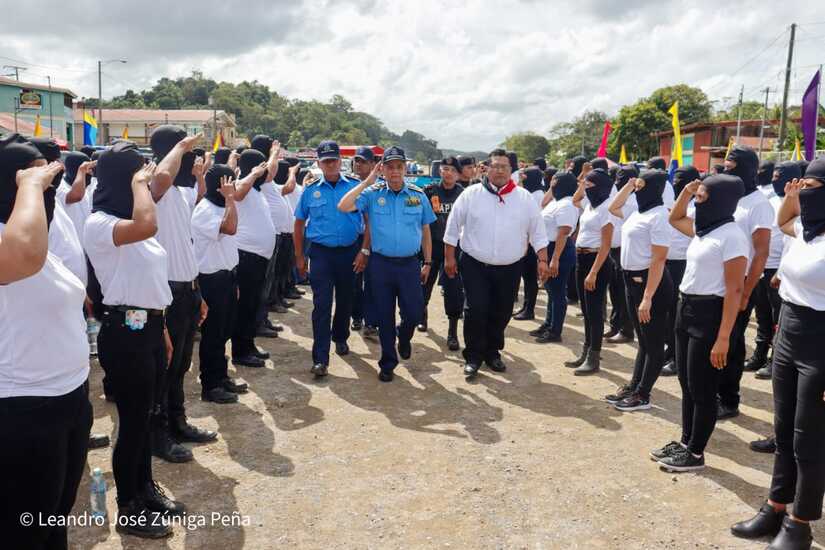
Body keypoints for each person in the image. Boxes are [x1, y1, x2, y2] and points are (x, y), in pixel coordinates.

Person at [84, 142, 182, 538]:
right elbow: (148, 225)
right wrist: (142, 183)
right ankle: (129, 506)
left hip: (148, 326)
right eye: (136, 173)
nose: (143, 178)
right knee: (133, 421)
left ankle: (145, 489)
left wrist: (161, 328)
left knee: (147, 416)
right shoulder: (101, 223)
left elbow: (150, 280)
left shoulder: (128, 216)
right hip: (125, 332)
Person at [0, 137, 93, 549]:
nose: (49, 183)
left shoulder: (40, 237)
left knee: (52, 516)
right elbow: (23, 255)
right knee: (27, 526)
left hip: (67, 400)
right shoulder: (14, 241)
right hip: (25, 408)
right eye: (36, 174)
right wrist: (31, 186)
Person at [731, 158, 825, 550]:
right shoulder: (806, 229)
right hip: (789, 330)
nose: (804, 192)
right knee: (783, 430)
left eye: (813, 186)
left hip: (821, 343)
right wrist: (793, 194)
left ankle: (800, 522)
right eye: (802, 184)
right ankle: (776, 506)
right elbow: (784, 220)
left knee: (810, 438)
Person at [652, 174, 747, 473]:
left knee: (702, 388)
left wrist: (723, 338)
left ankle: (695, 453)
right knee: (686, 383)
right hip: (687, 308)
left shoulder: (732, 236)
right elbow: (674, 218)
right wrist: (686, 192)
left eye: (703, 197)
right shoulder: (705, 229)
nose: (698, 201)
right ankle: (684, 442)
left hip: (710, 315)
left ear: (720, 201)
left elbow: (735, 290)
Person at [443, 148, 549, 377]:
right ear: (486, 168)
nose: (499, 170)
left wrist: (543, 259)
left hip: (510, 267)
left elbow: (538, 232)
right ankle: (473, 356)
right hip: (474, 263)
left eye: (504, 167)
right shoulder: (471, 194)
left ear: (512, 171)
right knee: (476, 309)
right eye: (495, 166)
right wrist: (449, 258)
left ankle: (492, 352)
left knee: (501, 311)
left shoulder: (524, 198)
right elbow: (452, 227)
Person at [338, 146, 436, 381]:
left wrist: (428, 262)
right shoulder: (372, 194)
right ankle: (388, 362)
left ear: (405, 169)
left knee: (413, 312)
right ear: (383, 169)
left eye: (399, 167)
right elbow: (343, 206)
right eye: (389, 167)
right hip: (380, 264)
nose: (394, 171)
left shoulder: (417, 195)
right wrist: (370, 179)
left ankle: (404, 336)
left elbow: (425, 231)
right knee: (384, 315)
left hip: (409, 264)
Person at [148, 126, 215, 463]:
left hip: (186, 289)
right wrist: (181, 146)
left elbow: (185, 247)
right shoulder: (153, 186)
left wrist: (197, 291)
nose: (192, 161)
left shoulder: (178, 192)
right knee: (165, 367)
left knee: (181, 365)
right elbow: (160, 176)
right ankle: (158, 435)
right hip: (167, 293)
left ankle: (177, 421)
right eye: (188, 155)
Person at [294, 140, 363, 377]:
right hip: (321, 253)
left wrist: (364, 251)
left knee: (345, 300)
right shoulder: (310, 191)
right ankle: (320, 358)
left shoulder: (355, 187)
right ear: (319, 163)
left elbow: (369, 220)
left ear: (340, 161)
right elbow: (299, 222)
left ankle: (341, 336)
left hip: (349, 251)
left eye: (334, 160)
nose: (331, 164)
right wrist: (299, 256)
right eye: (326, 161)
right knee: (321, 305)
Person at [606, 169, 673, 411]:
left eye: (642, 185)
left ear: (654, 188)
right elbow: (614, 207)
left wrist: (648, 297)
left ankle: (643, 395)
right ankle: (634, 386)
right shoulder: (637, 212)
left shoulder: (659, 216)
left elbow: (659, 259)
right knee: (643, 342)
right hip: (630, 280)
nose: (638, 189)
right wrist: (628, 186)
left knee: (653, 344)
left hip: (649, 284)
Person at [718, 146, 773, 420]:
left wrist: (746, 292)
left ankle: (729, 400)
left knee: (734, 340)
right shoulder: (730, 196)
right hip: (718, 281)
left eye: (733, 164)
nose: (727, 167)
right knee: (717, 338)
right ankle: (716, 391)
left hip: (742, 283)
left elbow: (761, 252)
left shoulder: (759, 204)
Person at [191, 163, 249, 404]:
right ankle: (210, 385)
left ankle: (222, 376)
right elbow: (231, 228)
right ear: (220, 185)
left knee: (224, 331)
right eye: (229, 183)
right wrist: (230, 200)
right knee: (213, 335)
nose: (234, 187)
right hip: (210, 280)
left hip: (226, 276)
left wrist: (233, 280)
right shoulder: (205, 210)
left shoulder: (220, 205)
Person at [565, 166, 617, 375]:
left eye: (591, 184)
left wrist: (594, 272)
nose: (587, 188)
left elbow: (606, 245)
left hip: (597, 261)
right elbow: (574, 200)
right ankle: (586, 351)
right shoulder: (590, 204)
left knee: (595, 312)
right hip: (582, 257)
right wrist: (583, 180)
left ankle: (594, 357)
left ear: (603, 187)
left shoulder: (608, 208)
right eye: (586, 184)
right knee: (586, 310)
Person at [231, 148, 276, 368]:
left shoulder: (257, 191)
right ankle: (240, 351)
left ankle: (248, 345)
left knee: (253, 305)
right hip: (246, 257)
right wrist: (254, 174)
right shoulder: (242, 185)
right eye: (261, 168)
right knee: (245, 306)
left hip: (258, 258)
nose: (266, 173)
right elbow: (236, 192)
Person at [419, 155, 464, 349]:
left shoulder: (464, 194)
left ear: (458, 174)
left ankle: (452, 331)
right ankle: (422, 316)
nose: (448, 173)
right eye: (445, 169)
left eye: (453, 170)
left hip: (454, 249)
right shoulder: (429, 191)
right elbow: (418, 216)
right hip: (432, 246)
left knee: (453, 291)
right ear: (440, 171)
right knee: (424, 285)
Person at [662, 166, 700, 377]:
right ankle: (671, 351)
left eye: (682, 180)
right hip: (668, 261)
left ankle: (678, 358)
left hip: (683, 263)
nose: (677, 183)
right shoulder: (675, 202)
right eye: (675, 179)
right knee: (669, 312)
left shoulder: (697, 204)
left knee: (678, 313)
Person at [533, 170, 579, 343]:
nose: (552, 184)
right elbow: (543, 203)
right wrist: (552, 187)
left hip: (558, 250)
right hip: (549, 248)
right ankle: (548, 324)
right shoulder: (556, 201)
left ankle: (555, 330)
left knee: (558, 293)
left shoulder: (566, 205)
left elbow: (564, 232)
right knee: (551, 291)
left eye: (555, 182)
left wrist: (555, 259)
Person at [604, 164, 637, 344]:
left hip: (625, 252)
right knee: (615, 293)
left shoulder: (633, 201)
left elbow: (613, 210)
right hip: (614, 251)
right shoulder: (618, 196)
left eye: (623, 180)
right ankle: (615, 325)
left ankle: (626, 329)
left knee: (623, 295)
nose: (618, 183)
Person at [513, 166, 546, 321]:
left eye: (525, 177)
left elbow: (533, 222)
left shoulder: (537, 196)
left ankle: (529, 309)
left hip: (532, 243)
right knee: (527, 277)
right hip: (527, 241)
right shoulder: (532, 193)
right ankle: (526, 306)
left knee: (530, 278)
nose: (522, 180)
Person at [350, 146, 376, 333]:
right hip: (353, 239)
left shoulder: (379, 186)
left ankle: (371, 320)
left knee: (373, 281)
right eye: (356, 161)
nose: (358, 164)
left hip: (374, 240)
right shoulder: (348, 184)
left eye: (363, 161)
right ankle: (357, 316)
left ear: (373, 164)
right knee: (354, 281)